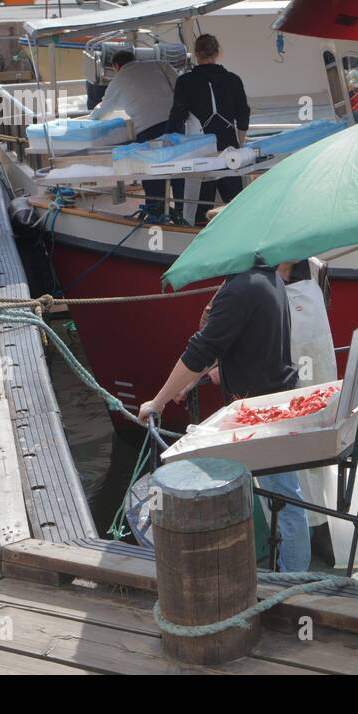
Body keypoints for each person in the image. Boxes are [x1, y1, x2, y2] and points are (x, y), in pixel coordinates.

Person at [137, 261, 309, 572]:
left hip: (261, 413)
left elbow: (200, 349)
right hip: (272, 402)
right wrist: (201, 378)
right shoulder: (266, 277)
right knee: (285, 499)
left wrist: (158, 402)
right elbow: (243, 341)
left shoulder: (239, 290)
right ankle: (289, 574)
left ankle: (293, 585)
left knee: (286, 502)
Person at [166, 33, 249, 226]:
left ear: (196, 54)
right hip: (229, 149)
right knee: (235, 205)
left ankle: (198, 238)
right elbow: (243, 115)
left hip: (200, 152)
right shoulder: (233, 80)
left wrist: (169, 146)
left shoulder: (185, 82)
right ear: (218, 53)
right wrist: (239, 144)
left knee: (201, 208)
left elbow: (177, 117)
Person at [88, 49, 178, 221]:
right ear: (134, 59)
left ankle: (155, 214)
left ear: (116, 66)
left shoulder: (118, 80)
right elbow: (180, 85)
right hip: (175, 125)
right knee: (179, 167)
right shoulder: (159, 64)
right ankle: (182, 210)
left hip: (148, 129)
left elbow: (103, 110)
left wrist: (89, 120)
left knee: (151, 172)